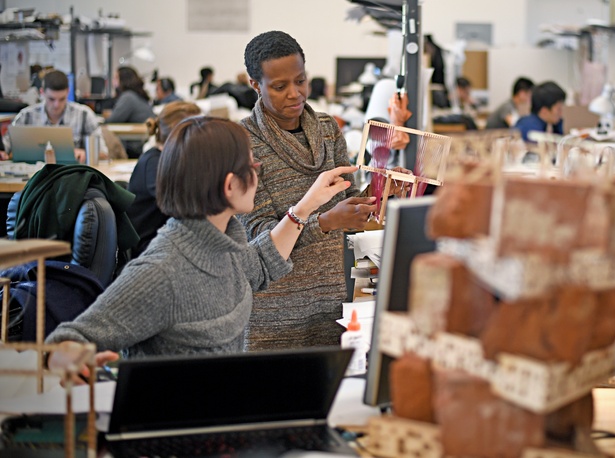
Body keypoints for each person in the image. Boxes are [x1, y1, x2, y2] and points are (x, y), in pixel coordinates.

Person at [45, 116, 356, 377]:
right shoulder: (161, 272)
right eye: (253, 167)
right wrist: (67, 358)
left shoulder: (224, 245)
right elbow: (69, 339)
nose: (258, 173)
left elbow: (261, 263)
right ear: (229, 185)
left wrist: (307, 205)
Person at [240, 30, 408, 351]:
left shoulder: (328, 129)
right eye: (279, 86)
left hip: (331, 297)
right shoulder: (243, 143)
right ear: (255, 85)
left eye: (301, 81)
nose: (295, 93)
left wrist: (382, 190)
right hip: (276, 309)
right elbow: (258, 237)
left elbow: (344, 196)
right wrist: (327, 221)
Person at [127, 101, 201, 258]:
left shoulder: (172, 159)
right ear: (178, 134)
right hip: (149, 247)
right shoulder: (154, 163)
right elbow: (180, 205)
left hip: (167, 239)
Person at [0, 70, 108, 163]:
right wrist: (3, 153)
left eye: (62, 99)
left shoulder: (84, 114)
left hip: (72, 176)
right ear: (42, 92)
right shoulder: (26, 115)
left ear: (68, 92)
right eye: (51, 99)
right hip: (35, 177)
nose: (57, 105)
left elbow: (103, 152)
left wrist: (85, 153)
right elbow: (6, 146)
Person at [106, 66, 155, 158]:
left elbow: (112, 120)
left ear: (123, 79)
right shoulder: (137, 95)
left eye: (116, 78)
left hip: (135, 145)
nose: (113, 81)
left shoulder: (128, 97)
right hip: (143, 141)